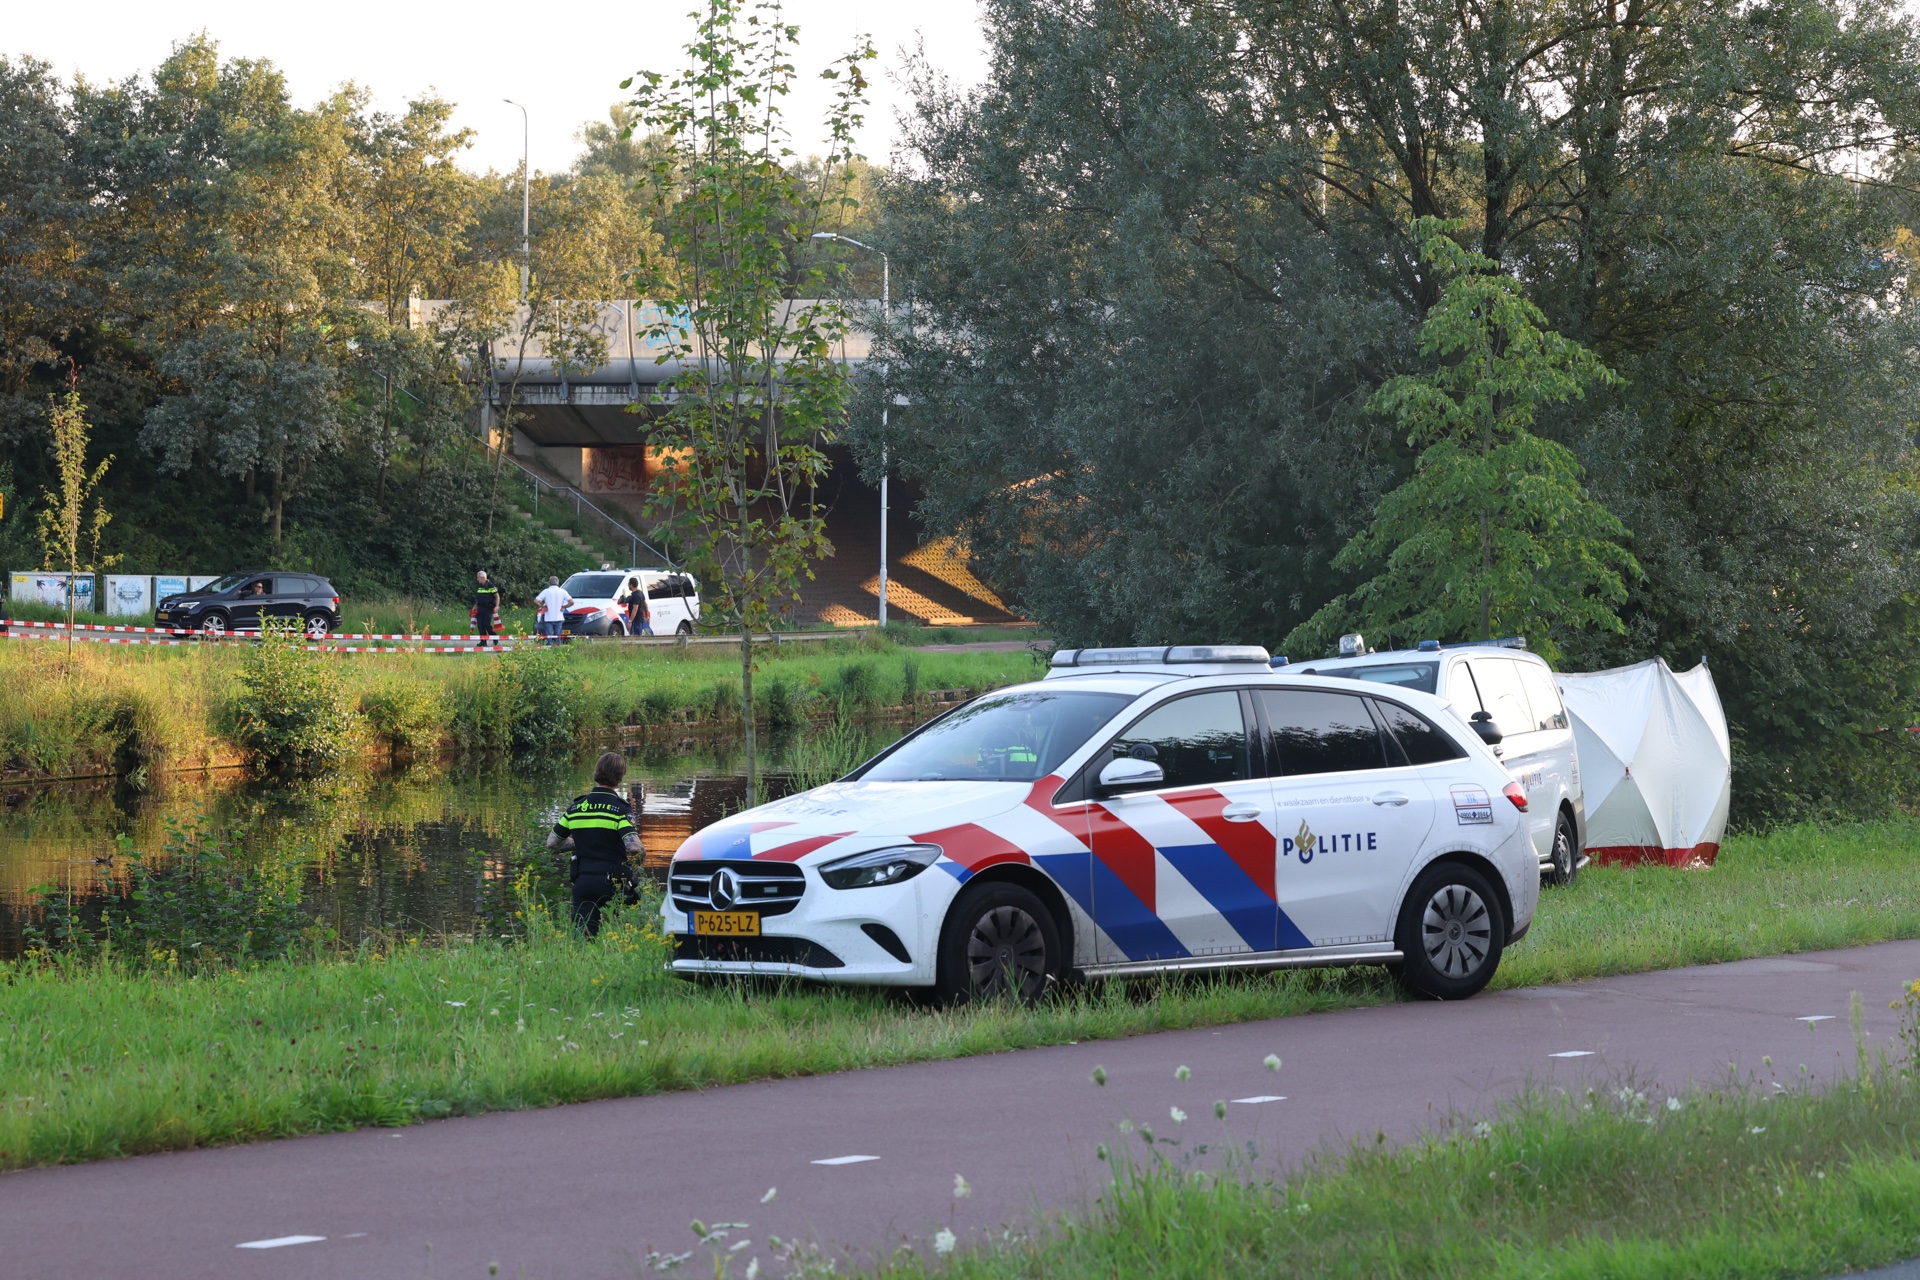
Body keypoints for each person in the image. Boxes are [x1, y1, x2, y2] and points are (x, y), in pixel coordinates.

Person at [548, 752, 643, 936]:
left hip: (582, 881)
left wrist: (584, 842)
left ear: (596, 772)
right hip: (611, 883)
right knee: (614, 936)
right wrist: (637, 866)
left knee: (584, 937)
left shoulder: (576, 807)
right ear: (620, 777)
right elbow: (634, 847)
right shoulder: (620, 809)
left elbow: (552, 843)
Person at [534, 575, 572, 646]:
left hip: (548, 618)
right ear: (558, 582)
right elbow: (571, 602)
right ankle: (558, 648)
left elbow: (536, 601)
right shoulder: (562, 591)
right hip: (559, 617)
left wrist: (543, 606)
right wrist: (564, 606)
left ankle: (549, 649)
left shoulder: (546, 591)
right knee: (558, 636)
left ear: (549, 583)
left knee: (549, 637)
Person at [472, 570, 500, 649]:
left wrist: (497, 606)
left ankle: (494, 637)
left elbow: (497, 596)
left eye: (478, 578)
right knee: (480, 625)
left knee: (486, 624)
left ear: (483, 577)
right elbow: (479, 598)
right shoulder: (480, 586)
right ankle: (483, 641)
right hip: (480, 607)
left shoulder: (491, 585)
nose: (477, 579)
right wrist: (475, 606)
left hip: (488, 608)